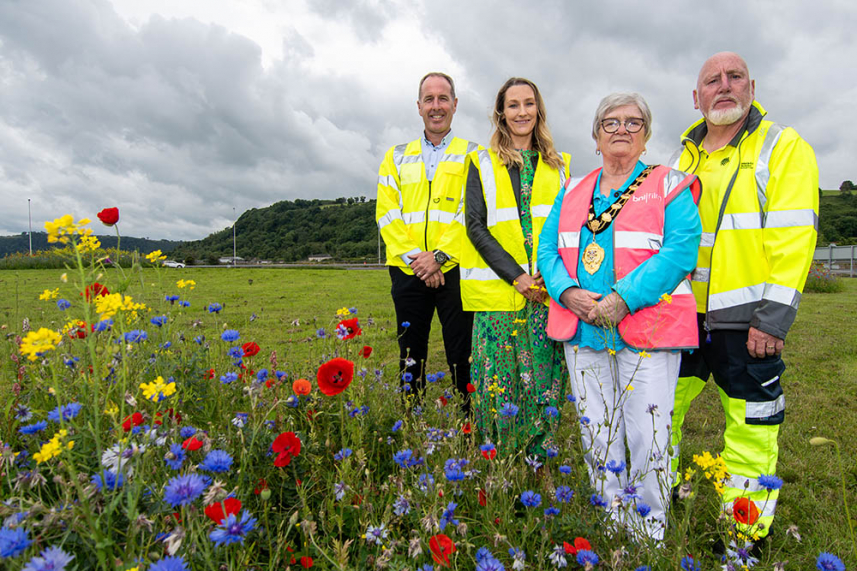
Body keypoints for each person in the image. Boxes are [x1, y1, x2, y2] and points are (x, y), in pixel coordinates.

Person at [538, 92, 701, 541]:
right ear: (595, 137)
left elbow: (680, 252)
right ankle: (612, 521)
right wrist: (567, 292)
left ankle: (648, 532)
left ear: (646, 136)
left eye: (633, 122)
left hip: (647, 327)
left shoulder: (671, 184)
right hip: (583, 327)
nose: (621, 130)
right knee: (597, 431)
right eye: (610, 123)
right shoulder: (572, 189)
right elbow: (548, 249)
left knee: (648, 432)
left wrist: (622, 299)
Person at [670, 52, 819, 541]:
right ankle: (658, 498)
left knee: (751, 430)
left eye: (734, 77)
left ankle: (744, 536)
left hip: (748, 322)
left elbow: (794, 237)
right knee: (659, 410)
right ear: (697, 97)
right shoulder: (682, 156)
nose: (724, 86)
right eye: (712, 80)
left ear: (751, 87)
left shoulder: (783, 147)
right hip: (680, 320)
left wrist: (773, 318)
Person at [460, 77, 570, 456]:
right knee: (499, 381)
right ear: (501, 113)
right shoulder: (481, 162)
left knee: (545, 381)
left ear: (538, 110)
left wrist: (547, 277)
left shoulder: (560, 166)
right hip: (500, 296)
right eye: (513, 105)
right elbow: (475, 225)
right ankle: (500, 464)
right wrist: (518, 277)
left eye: (528, 103)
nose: (521, 112)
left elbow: (567, 228)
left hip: (546, 293)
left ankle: (539, 460)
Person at [376, 72, 476, 411]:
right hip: (408, 272)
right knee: (410, 353)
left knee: (463, 354)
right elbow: (387, 214)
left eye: (443, 98)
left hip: (457, 270)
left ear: (455, 105)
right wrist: (419, 260)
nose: (436, 106)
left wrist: (440, 256)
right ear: (419, 106)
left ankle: (470, 428)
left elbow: (473, 215)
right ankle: (410, 428)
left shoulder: (475, 156)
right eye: (429, 99)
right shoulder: (396, 156)